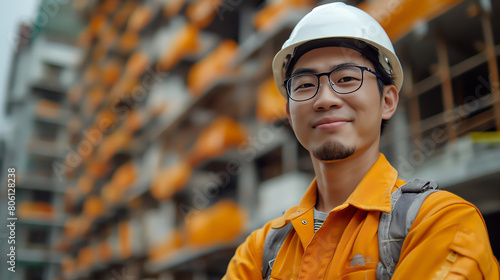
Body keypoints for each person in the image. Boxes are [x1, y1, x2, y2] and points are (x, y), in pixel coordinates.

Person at [222, 2, 499, 280]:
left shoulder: (441, 223)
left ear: (387, 101)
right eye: (305, 85)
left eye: (346, 79)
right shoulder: (258, 252)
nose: (325, 100)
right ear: (290, 115)